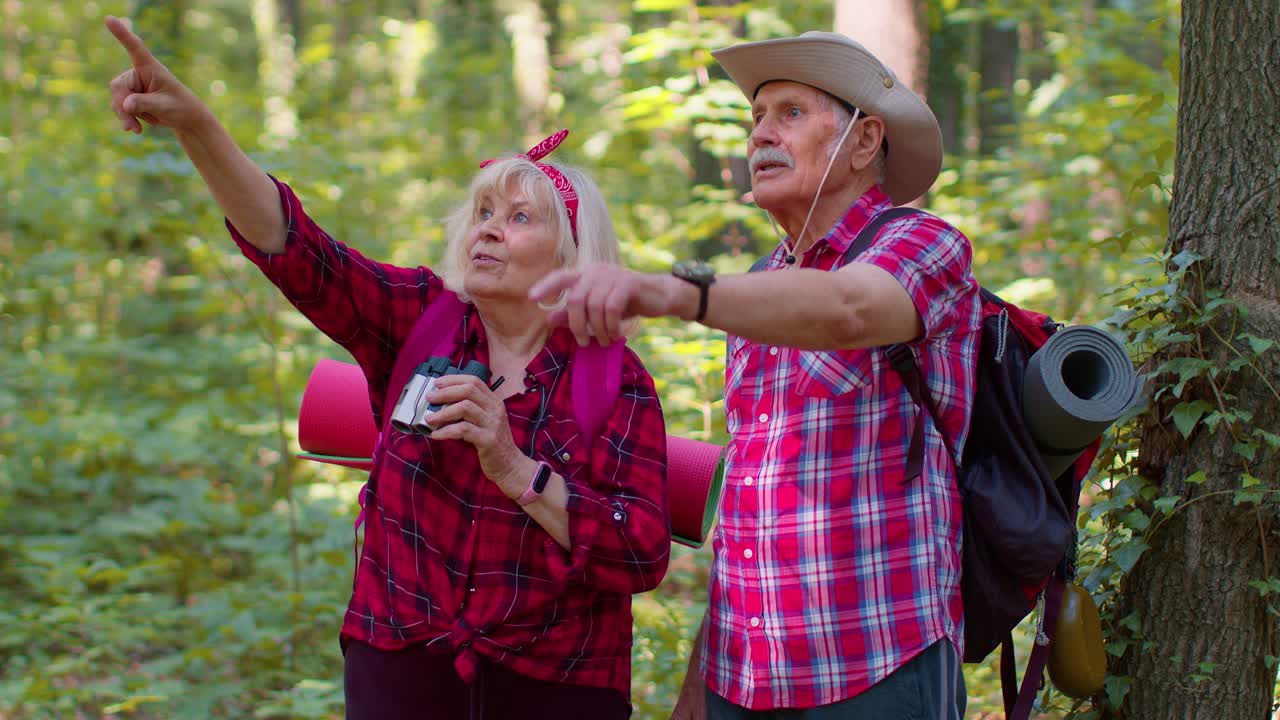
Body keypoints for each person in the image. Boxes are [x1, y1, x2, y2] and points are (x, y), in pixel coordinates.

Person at [104, 15, 671, 720]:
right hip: (398, 658)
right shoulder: (422, 318)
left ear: (572, 255)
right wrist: (198, 127)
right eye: (484, 210)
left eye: (521, 217)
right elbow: (296, 250)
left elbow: (640, 554)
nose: (490, 226)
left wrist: (515, 467)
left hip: (557, 680)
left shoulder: (612, 382)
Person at [531, 31, 981, 719]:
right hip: (741, 680)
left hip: (878, 665)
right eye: (756, 117)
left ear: (864, 144)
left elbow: (850, 310)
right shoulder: (758, 286)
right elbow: (751, 509)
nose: (761, 135)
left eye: (791, 114)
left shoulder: (922, 242)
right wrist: (695, 690)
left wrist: (675, 292)